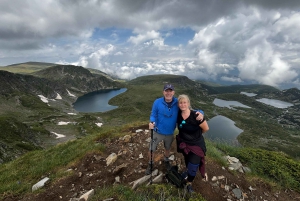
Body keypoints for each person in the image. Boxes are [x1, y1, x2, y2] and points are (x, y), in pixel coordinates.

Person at [145, 83, 204, 175]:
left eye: (170, 91)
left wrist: (200, 112)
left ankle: (166, 160)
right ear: (163, 92)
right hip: (157, 131)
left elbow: (189, 109)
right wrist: (152, 121)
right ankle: (151, 163)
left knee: (167, 148)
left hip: (169, 133)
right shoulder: (157, 102)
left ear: (173, 92)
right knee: (152, 149)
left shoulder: (177, 103)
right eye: (166, 91)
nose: (168, 93)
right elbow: (153, 114)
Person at [176, 94, 209, 193]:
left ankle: (189, 182)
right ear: (178, 104)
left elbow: (206, 128)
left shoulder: (196, 116)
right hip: (184, 143)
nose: (182, 104)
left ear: (188, 103)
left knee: (193, 166)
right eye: (180, 103)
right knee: (187, 160)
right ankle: (187, 171)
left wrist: (196, 135)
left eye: (184, 102)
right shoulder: (178, 114)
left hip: (196, 144)